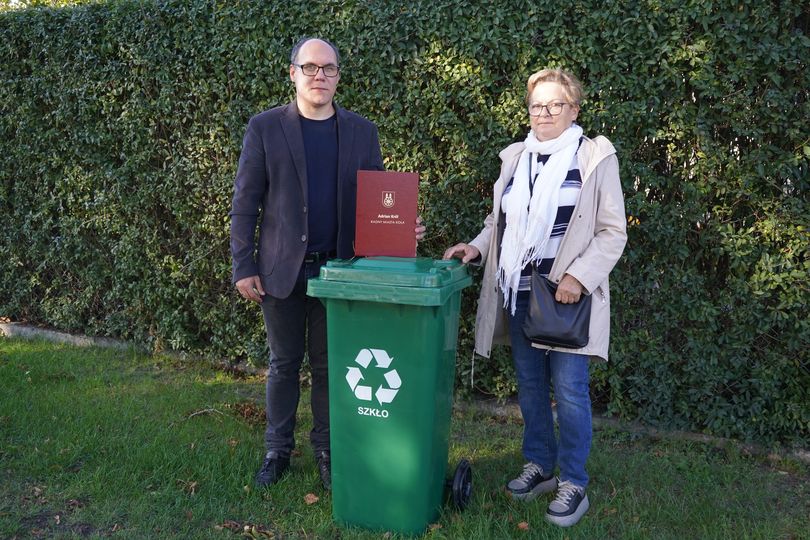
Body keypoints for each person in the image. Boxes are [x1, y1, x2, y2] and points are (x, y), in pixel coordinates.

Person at [230, 37, 425, 491]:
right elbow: (245, 202)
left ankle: (327, 450)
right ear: (293, 73)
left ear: (338, 76)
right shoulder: (265, 128)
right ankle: (277, 450)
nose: (320, 76)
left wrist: (400, 230)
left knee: (329, 366)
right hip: (281, 270)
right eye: (311, 67)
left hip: (339, 272)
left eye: (329, 68)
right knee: (283, 363)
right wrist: (243, 265)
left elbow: (377, 203)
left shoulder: (361, 131)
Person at [443, 68, 627, 527]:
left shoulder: (594, 157)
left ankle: (574, 482)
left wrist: (578, 278)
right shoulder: (517, 157)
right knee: (529, 388)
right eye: (536, 106)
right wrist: (476, 247)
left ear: (574, 110)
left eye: (554, 105)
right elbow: (498, 222)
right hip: (519, 294)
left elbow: (612, 231)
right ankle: (540, 466)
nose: (544, 114)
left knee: (568, 391)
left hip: (565, 299)